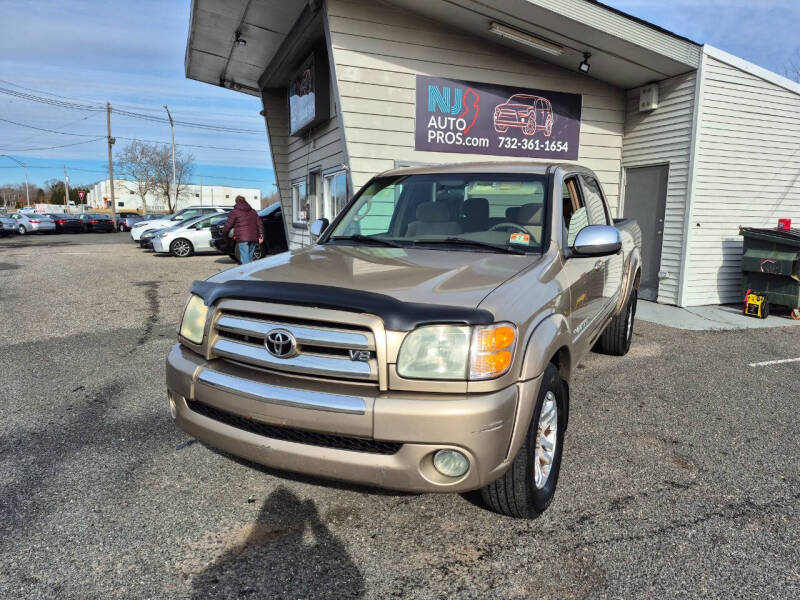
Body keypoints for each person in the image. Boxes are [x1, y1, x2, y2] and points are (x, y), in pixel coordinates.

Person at [221, 195, 264, 264]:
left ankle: (246, 272)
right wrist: (261, 235)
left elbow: (228, 225)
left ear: (236, 202)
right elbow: (259, 224)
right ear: (245, 201)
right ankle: (249, 271)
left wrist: (224, 236)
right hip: (253, 237)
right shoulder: (253, 211)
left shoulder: (234, 212)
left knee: (245, 257)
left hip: (242, 238)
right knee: (249, 258)